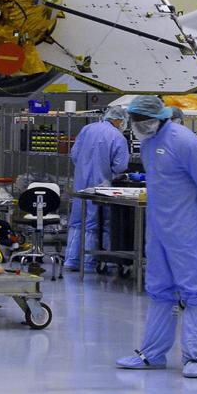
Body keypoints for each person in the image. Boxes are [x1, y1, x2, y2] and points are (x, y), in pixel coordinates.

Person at [116, 94, 197, 378]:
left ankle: (196, 358)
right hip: (159, 228)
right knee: (159, 290)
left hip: (187, 228)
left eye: (140, 121)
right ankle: (152, 353)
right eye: (133, 121)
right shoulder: (149, 142)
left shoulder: (185, 141)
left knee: (195, 291)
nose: (136, 125)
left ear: (157, 118)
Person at [64, 105, 129, 271]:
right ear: (119, 120)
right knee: (99, 222)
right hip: (102, 186)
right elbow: (121, 166)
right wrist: (111, 175)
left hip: (81, 183)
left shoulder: (87, 129)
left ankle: (71, 260)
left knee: (78, 220)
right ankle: (92, 262)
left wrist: (85, 169)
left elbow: (75, 154)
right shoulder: (118, 137)